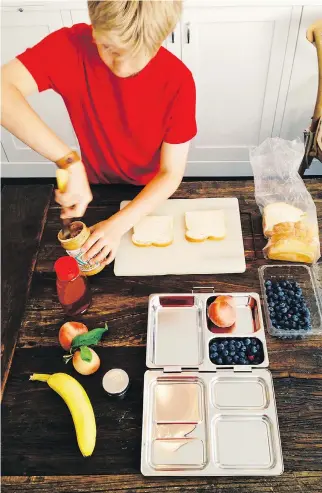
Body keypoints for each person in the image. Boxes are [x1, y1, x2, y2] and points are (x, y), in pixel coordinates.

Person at [1, 0, 197, 266]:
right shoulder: (71, 46)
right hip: (97, 189)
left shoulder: (179, 81)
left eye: (138, 54)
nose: (122, 67)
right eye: (109, 48)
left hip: (150, 196)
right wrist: (68, 161)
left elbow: (170, 173)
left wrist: (117, 226)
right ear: (94, 25)